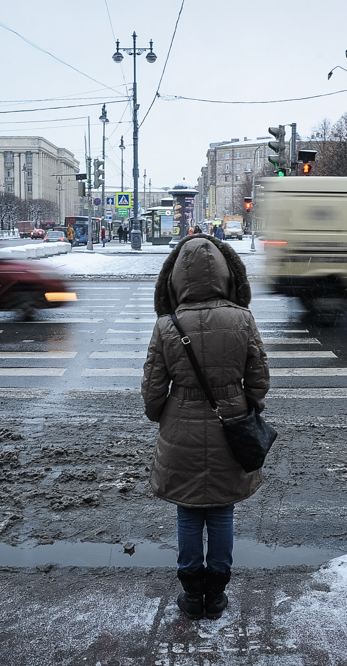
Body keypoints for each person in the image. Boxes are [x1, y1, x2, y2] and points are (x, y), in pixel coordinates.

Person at [142, 235, 270, 621]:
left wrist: (164, 413)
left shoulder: (167, 324)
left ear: (177, 279)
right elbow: (259, 378)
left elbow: (152, 389)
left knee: (187, 512)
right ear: (227, 275)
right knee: (221, 512)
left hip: (180, 429)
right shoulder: (242, 318)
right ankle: (215, 595)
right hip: (232, 426)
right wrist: (248, 407)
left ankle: (190, 593)